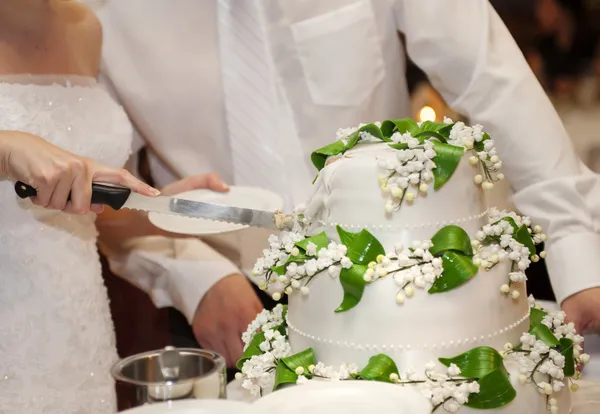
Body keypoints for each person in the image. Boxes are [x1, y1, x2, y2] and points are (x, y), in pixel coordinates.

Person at [92, 0, 600, 377]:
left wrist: (575, 243)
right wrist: (190, 275)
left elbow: (493, 80)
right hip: (227, 312)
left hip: (405, 294)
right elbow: (95, 189)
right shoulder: (98, 12)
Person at [0, 1, 225, 411]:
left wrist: (159, 210)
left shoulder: (84, 26)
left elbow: (73, 216)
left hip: (78, 336)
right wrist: (6, 145)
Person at [0, 130, 159, 214]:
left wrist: (160, 210)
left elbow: (103, 221)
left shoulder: (99, 67)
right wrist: (7, 149)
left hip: (80, 260)